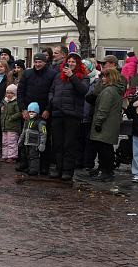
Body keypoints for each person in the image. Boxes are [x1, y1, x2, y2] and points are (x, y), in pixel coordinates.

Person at [48, 53, 88, 181]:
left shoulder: (83, 77)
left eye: (73, 62)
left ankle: (67, 170)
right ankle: (58, 168)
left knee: (69, 144)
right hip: (58, 113)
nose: (70, 64)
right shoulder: (58, 77)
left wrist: (72, 77)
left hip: (72, 114)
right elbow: (51, 90)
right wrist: (52, 101)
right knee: (57, 143)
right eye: (69, 61)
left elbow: (83, 91)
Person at [16, 52, 56, 175]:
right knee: (26, 137)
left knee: (43, 139)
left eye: (40, 62)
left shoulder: (52, 74)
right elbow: (20, 92)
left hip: (44, 112)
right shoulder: (27, 73)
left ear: (45, 62)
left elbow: (53, 93)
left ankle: (44, 166)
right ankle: (25, 163)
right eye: (36, 62)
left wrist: (48, 109)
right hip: (28, 111)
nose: (38, 64)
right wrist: (23, 109)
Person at [88, 66, 126, 182]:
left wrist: (98, 123)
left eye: (104, 77)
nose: (102, 79)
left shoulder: (109, 91)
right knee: (106, 148)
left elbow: (103, 109)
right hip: (110, 125)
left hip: (105, 125)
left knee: (104, 149)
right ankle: (105, 170)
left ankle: (106, 172)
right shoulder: (115, 90)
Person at [18, 102, 47, 177]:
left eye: (33, 112)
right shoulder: (27, 121)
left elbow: (43, 133)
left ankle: (34, 170)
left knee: (34, 157)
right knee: (27, 155)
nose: (31, 113)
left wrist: (42, 144)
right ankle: (29, 167)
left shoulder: (40, 122)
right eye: (29, 111)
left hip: (34, 143)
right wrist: (21, 140)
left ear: (37, 112)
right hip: (26, 142)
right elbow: (23, 131)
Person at [1, 84, 22, 162]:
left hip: (13, 126)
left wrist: (12, 117)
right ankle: (5, 155)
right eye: (7, 93)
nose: (9, 95)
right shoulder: (5, 101)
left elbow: (19, 113)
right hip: (5, 125)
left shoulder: (16, 102)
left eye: (11, 93)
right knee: (5, 141)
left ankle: (12, 156)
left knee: (12, 142)